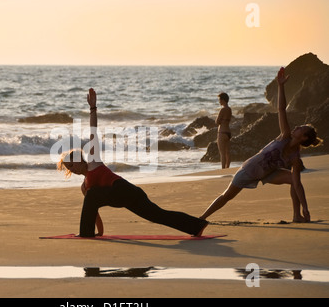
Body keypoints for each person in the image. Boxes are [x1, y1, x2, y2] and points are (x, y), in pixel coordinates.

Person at [57, 88, 209, 237]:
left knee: (158, 215)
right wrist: (100, 232)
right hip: (117, 198)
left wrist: (93, 108)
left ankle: (196, 226)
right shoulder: (84, 186)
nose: (72, 169)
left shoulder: (93, 161)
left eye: (71, 165)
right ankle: (87, 232)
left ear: (78, 159)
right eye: (68, 168)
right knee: (91, 195)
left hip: (126, 191)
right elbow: (92, 212)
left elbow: (93, 131)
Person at [199, 68, 322, 223]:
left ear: (303, 137)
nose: (296, 127)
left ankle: (297, 215)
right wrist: (280, 85)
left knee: (293, 180)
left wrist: (306, 207)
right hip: (250, 168)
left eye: (300, 128)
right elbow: (281, 109)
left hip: (269, 173)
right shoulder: (285, 136)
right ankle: (201, 218)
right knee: (227, 196)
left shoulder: (295, 158)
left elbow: (298, 185)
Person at [216, 92, 232, 169]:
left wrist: (220, 120)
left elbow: (217, 121)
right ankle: (227, 168)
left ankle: (223, 169)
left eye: (219, 100)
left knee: (222, 153)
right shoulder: (229, 109)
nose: (219, 101)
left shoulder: (222, 110)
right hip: (228, 132)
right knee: (227, 153)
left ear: (223, 100)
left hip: (222, 132)